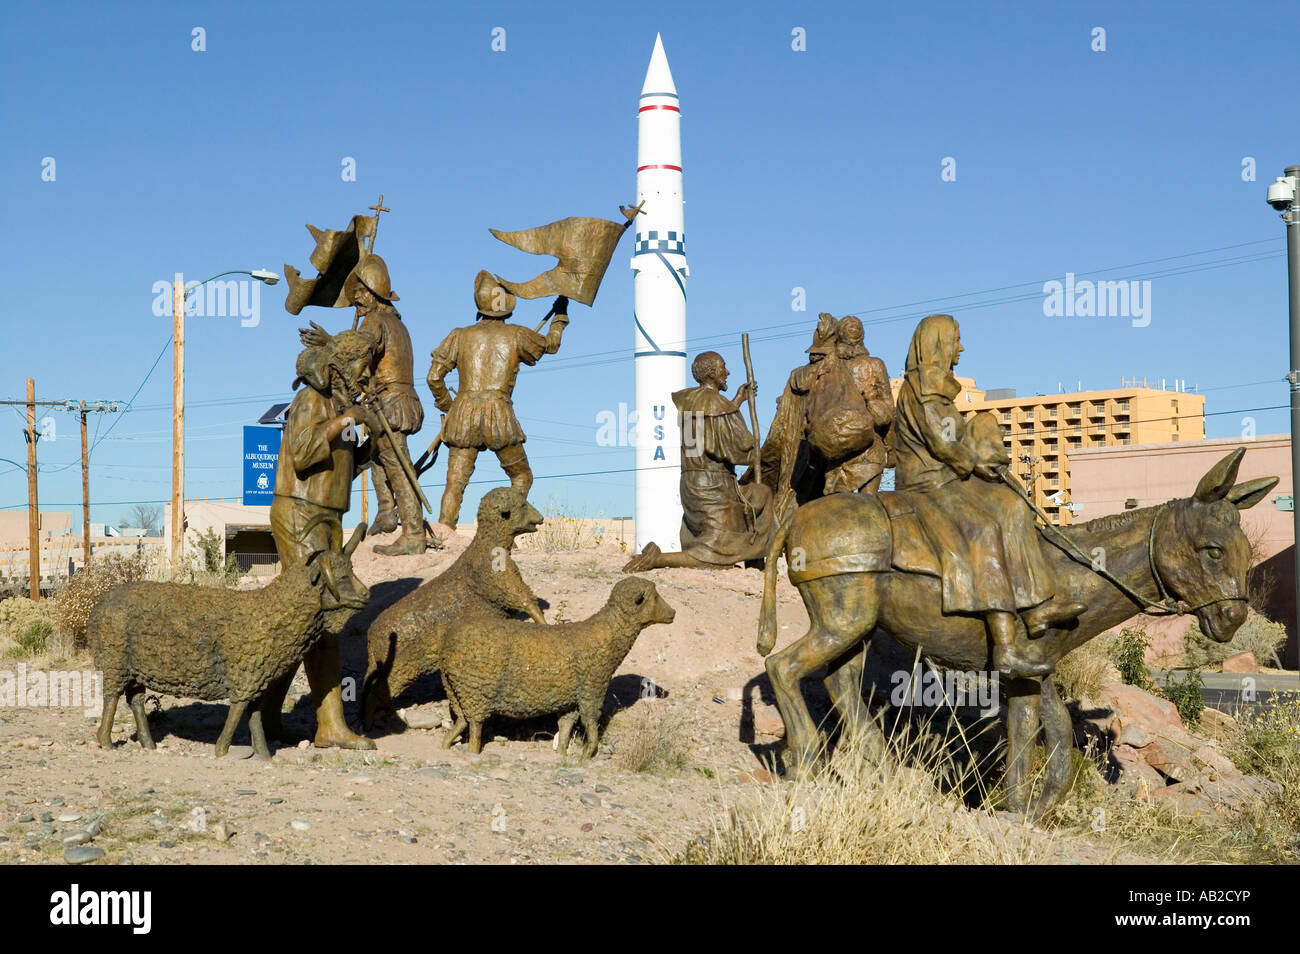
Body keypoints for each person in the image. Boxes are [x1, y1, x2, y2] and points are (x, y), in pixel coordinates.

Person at [890, 314, 1084, 678]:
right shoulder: (922, 387)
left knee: (1012, 506)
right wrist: (976, 462)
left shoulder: (938, 385)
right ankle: (1005, 647)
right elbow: (942, 442)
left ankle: (1035, 605)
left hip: (949, 476)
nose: (960, 347)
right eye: (956, 339)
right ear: (938, 342)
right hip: (927, 484)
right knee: (982, 527)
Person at [265, 328, 379, 749]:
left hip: (325, 515)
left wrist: (368, 449)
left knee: (300, 621)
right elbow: (305, 451)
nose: (364, 377)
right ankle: (330, 726)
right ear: (338, 368)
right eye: (360, 369)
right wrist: (350, 419)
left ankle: (263, 713)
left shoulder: (335, 405)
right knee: (320, 615)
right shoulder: (310, 400)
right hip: (300, 514)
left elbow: (337, 462)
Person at [427, 271, 568, 529]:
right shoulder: (517, 335)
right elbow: (551, 345)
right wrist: (559, 316)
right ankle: (506, 528)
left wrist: (450, 407)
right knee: (522, 476)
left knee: (455, 483)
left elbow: (434, 377)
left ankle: (445, 532)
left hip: (463, 415)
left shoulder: (459, 335)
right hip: (499, 417)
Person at [623, 351, 775, 571]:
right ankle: (659, 559)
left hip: (692, 483)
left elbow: (710, 430)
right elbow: (736, 447)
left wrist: (737, 402)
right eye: (723, 367)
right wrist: (758, 452)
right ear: (713, 372)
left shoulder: (690, 401)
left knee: (761, 494)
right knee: (713, 555)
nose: (727, 371)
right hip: (714, 487)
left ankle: (755, 558)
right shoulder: (717, 405)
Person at [347, 256, 426, 555]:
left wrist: (339, 347)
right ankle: (386, 514)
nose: (356, 297)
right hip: (399, 400)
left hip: (390, 404)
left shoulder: (374, 322)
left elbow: (359, 354)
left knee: (397, 468)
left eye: (361, 291)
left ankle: (414, 535)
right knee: (376, 456)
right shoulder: (398, 324)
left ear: (373, 293)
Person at [759, 313, 837, 505]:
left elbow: (780, 422)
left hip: (794, 451)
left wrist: (769, 453)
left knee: (790, 500)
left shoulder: (796, 376)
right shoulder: (836, 373)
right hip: (825, 449)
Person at [824, 315, 894, 494]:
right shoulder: (829, 366)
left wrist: (872, 402)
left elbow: (888, 408)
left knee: (868, 507)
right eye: (847, 324)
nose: (853, 326)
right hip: (838, 451)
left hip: (869, 450)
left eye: (856, 325)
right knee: (839, 510)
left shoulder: (875, 364)